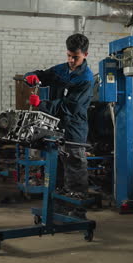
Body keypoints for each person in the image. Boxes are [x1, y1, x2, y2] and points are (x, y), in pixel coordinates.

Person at [24, 33, 94, 219]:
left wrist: (41, 104)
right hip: (55, 127)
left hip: (74, 129)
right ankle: (60, 210)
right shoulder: (62, 70)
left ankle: (78, 213)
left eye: (75, 57)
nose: (71, 60)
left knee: (75, 168)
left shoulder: (86, 79)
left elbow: (69, 106)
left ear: (85, 54)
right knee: (57, 169)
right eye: (69, 55)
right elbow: (44, 76)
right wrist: (31, 76)